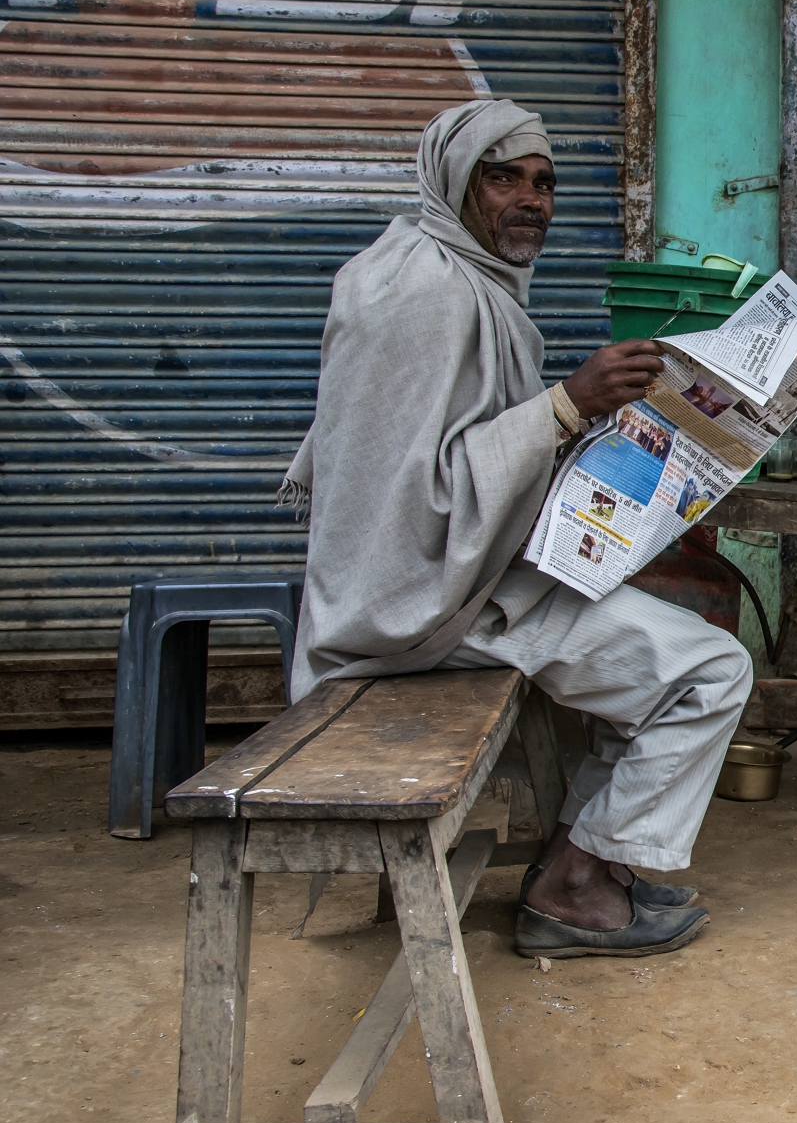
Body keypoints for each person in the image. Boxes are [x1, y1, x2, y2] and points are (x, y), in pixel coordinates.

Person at [281, 97, 751, 958]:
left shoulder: (462, 281)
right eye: (504, 179)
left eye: (543, 182)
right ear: (456, 181)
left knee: (668, 645)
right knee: (709, 671)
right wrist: (569, 403)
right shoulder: (420, 296)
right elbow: (404, 509)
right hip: (418, 603)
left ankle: (587, 867)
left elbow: (466, 457)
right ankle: (578, 886)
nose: (530, 199)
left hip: (465, 578)